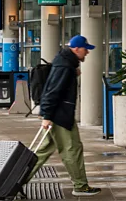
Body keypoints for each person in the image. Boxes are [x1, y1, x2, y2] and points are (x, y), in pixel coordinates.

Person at [24, 35, 101, 197]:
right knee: (72, 149)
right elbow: (53, 91)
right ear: (76, 49)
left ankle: (15, 181)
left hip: (57, 114)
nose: (87, 52)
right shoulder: (65, 66)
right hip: (59, 116)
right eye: (85, 49)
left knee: (43, 151)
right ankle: (80, 186)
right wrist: (46, 115)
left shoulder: (66, 64)